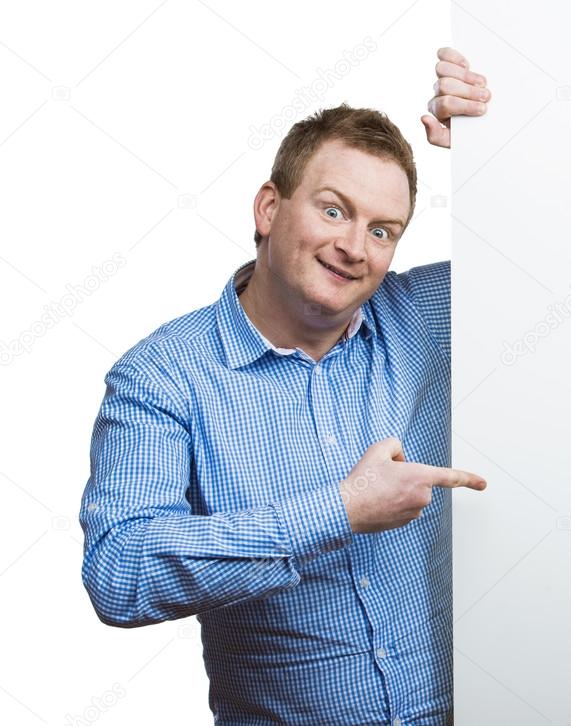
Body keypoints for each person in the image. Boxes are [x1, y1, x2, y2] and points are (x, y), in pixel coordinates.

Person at [79, 47, 492, 725]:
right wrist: (338, 511)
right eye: (334, 211)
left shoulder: (421, 314)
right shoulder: (163, 376)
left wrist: (491, 154)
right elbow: (118, 575)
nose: (355, 247)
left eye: (382, 229)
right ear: (270, 207)